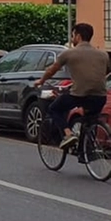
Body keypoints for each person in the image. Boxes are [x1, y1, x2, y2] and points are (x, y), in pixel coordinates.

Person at [36, 22, 110, 150]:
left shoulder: (69, 53)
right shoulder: (103, 54)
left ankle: (68, 134)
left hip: (80, 94)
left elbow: (51, 70)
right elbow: (107, 71)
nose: (72, 39)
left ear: (78, 36)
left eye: (73, 35)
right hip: (100, 96)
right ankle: (86, 151)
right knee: (89, 120)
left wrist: (41, 81)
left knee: (55, 109)